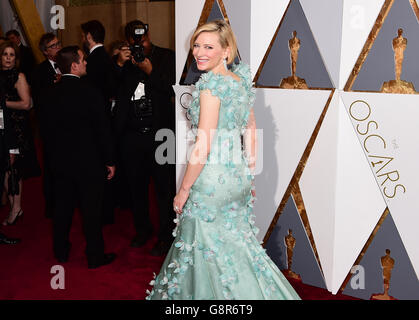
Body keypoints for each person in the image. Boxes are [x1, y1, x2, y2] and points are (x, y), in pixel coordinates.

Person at [146, 20, 300, 300]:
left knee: (205, 251)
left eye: (208, 46)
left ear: (226, 51)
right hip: (236, 177)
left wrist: (183, 190)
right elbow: (251, 130)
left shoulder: (210, 88)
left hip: (211, 182)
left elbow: (203, 144)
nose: (199, 52)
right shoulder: (240, 82)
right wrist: (248, 174)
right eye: (196, 45)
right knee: (237, 248)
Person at [39, 46, 116, 269]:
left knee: (62, 208)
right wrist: (110, 160)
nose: (86, 63)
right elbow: (103, 130)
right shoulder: (90, 92)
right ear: (74, 65)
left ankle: (61, 252)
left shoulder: (48, 93)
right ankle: (95, 256)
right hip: (88, 164)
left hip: (59, 163)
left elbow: (44, 130)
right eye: (83, 60)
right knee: (91, 211)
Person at [114, 20, 176, 256]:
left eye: (144, 39)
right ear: (128, 41)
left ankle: (165, 235)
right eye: (135, 41)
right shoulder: (124, 60)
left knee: (164, 188)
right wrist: (119, 64)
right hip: (131, 136)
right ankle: (142, 230)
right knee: (136, 187)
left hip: (162, 133)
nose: (141, 44)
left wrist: (150, 71)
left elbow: (172, 91)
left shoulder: (167, 57)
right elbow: (110, 88)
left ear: (149, 35)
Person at [0, 41, 40, 226]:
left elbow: (26, 104)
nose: (8, 58)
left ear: (16, 59)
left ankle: (16, 208)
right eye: (5, 54)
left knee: (13, 169)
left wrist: (3, 104)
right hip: (2, 127)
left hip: (16, 129)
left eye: (12, 55)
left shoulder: (19, 76)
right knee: (5, 169)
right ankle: (15, 206)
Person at [81, 20, 117, 225]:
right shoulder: (105, 57)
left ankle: (103, 212)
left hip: (97, 120)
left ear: (88, 36)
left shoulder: (94, 60)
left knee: (101, 167)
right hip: (105, 116)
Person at [31, 33, 62, 219]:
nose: (58, 47)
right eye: (53, 45)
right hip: (50, 128)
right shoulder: (39, 72)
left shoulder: (67, 64)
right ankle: (51, 205)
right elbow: (40, 102)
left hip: (69, 127)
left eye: (58, 43)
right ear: (45, 51)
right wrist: (55, 86)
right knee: (50, 167)